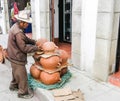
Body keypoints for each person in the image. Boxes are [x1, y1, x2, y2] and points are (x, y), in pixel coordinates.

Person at [7, 10, 41, 99]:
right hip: (16, 56)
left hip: (12, 54)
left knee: (15, 72)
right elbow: (24, 48)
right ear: (21, 22)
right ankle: (23, 93)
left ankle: (13, 86)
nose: (27, 25)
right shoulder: (18, 32)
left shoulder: (16, 27)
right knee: (22, 76)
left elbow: (24, 38)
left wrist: (33, 42)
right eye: (26, 23)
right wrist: (36, 48)